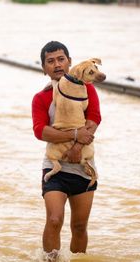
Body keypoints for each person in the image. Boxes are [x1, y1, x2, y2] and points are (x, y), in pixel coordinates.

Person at [31, 41, 101, 260]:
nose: (57, 65)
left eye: (61, 59)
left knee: (79, 226)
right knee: (54, 219)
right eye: (50, 61)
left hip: (83, 167)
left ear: (70, 62)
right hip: (55, 167)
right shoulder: (41, 98)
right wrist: (73, 135)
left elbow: (94, 119)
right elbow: (40, 131)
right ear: (44, 68)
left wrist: (78, 146)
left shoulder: (87, 89)